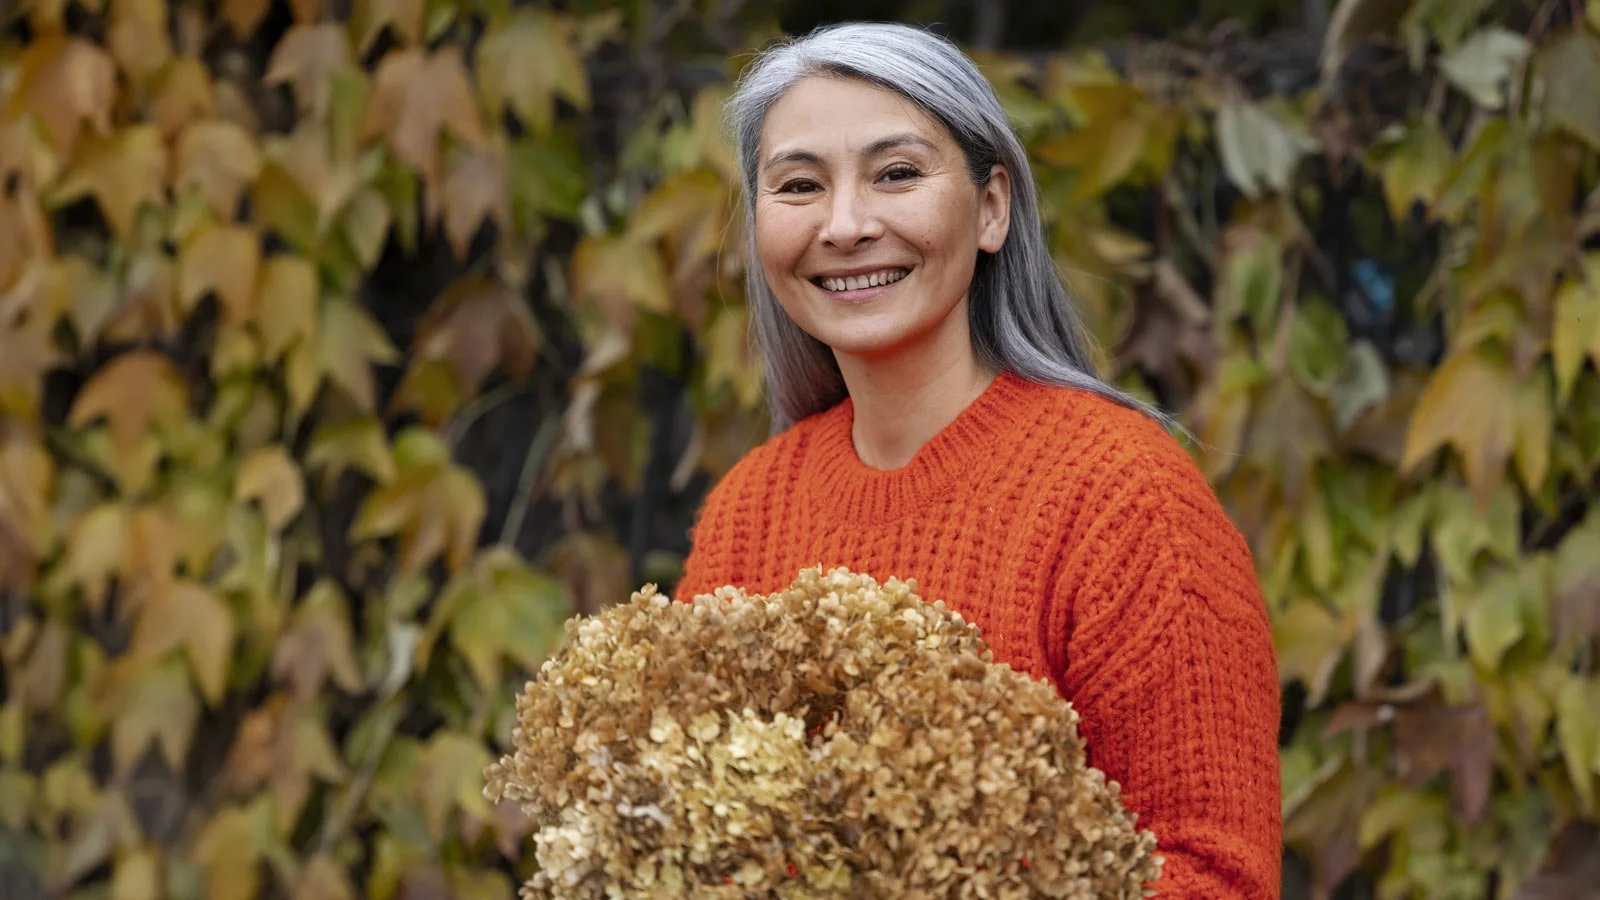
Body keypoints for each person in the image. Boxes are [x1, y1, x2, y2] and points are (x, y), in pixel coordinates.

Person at [674, 21, 1282, 899]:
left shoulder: (1123, 497)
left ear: (992, 207)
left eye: (896, 174)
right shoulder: (750, 513)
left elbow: (1215, 875)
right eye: (799, 185)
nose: (846, 225)